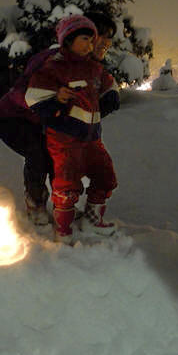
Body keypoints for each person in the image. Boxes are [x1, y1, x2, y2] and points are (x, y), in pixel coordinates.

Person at [0, 13, 116, 225]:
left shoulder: (90, 68)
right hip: (15, 117)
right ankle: (36, 204)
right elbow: (21, 92)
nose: (104, 42)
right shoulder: (52, 60)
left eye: (108, 37)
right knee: (40, 154)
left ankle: (65, 205)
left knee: (64, 157)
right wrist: (50, 103)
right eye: (100, 35)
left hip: (48, 122)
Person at [25, 15, 120, 243]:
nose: (90, 45)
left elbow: (109, 85)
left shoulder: (94, 69)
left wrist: (110, 97)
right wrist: (57, 99)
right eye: (85, 39)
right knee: (67, 183)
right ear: (68, 40)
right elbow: (34, 98)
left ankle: (91, 218)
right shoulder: (54, 68)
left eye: (92, 40)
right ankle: (63, 228)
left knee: (105, 175)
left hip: (92, 138)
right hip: (64, 138)